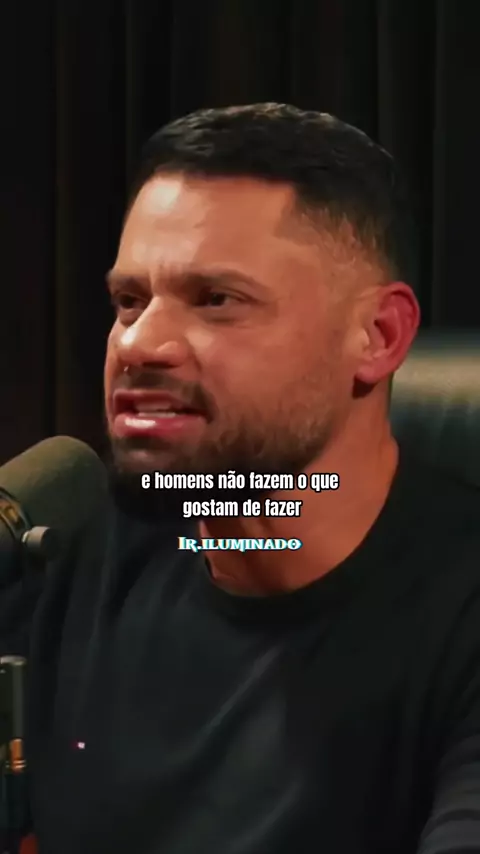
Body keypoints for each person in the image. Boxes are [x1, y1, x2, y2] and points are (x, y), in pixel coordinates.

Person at [5, 102, 480, 854]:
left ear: (378, 335)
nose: (139, 344)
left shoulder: (458, 616)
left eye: (216, 300)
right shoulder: (69, 551)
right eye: (129, 301)